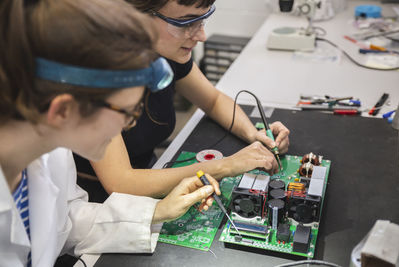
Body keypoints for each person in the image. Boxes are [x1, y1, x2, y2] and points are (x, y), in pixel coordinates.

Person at [0, 0, 220, 266]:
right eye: (126, 113)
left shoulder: (52, 150)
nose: (127, 127)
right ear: (62, 111)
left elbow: (65, 221)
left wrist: (158, 211)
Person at [73, 0, 291, 199]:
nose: (201, 36)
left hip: (151, 172)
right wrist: (226, 166)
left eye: (202, 20)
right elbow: (121, 183)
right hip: (97, 204)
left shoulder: (165, 52)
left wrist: (254, 135)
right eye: (186, 23)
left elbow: (212, 100)